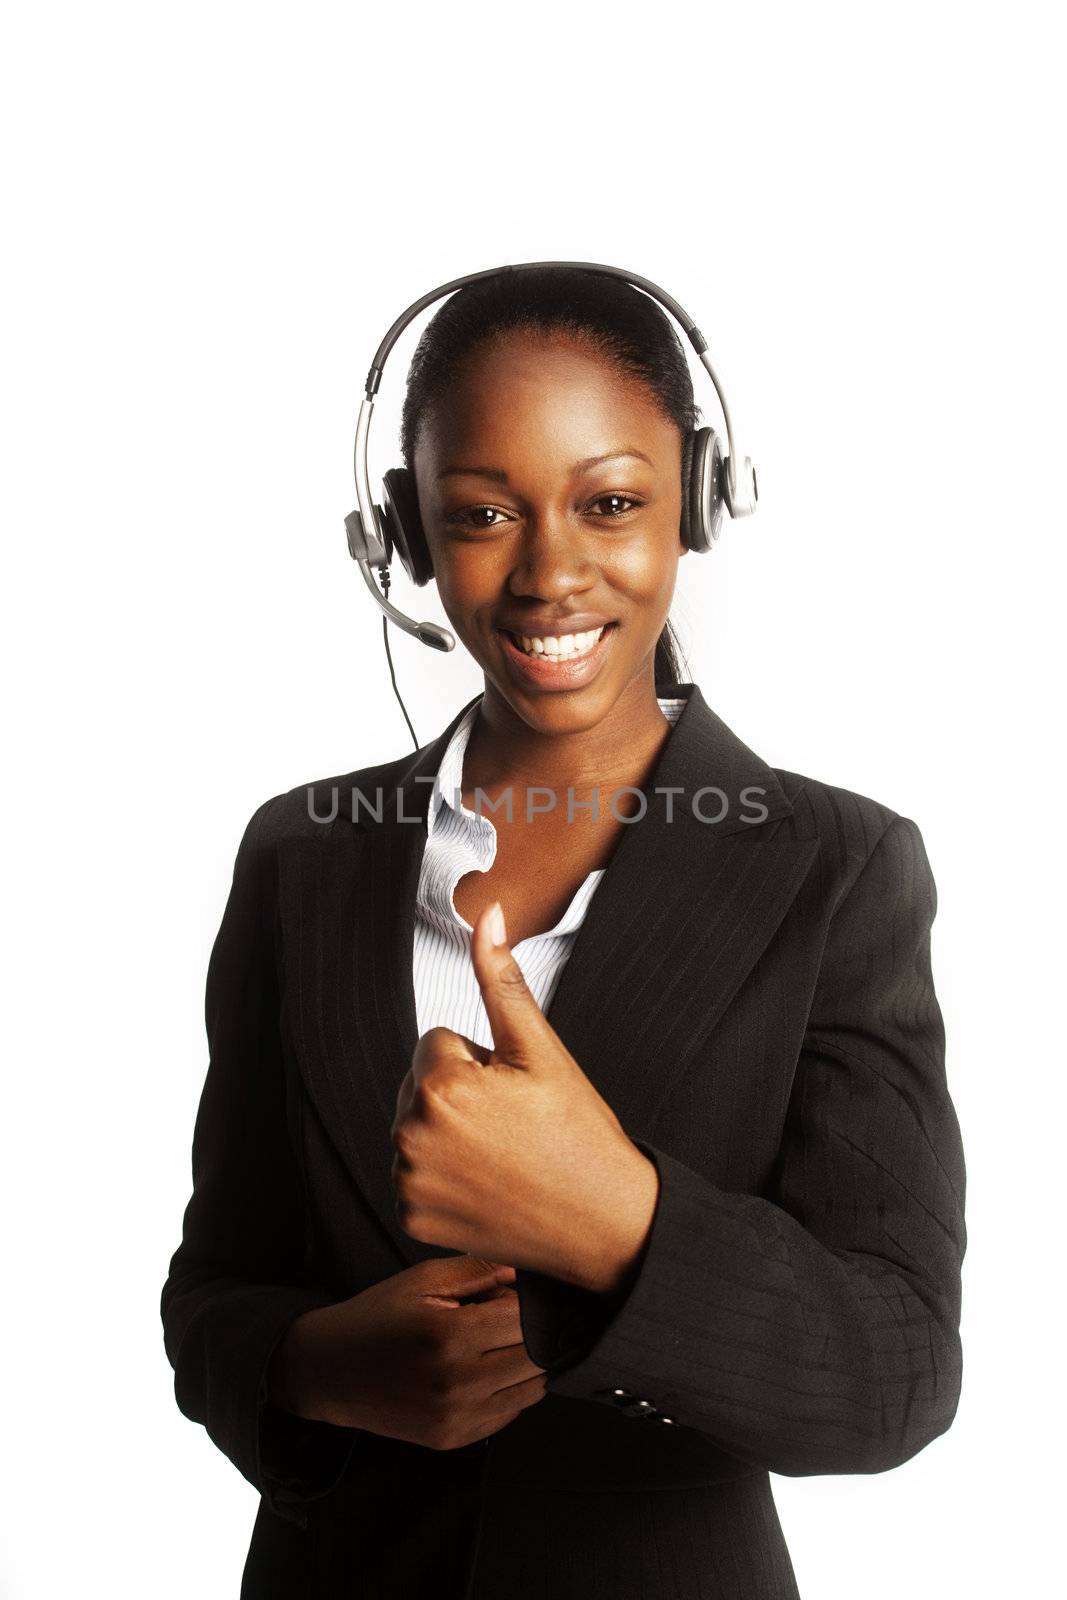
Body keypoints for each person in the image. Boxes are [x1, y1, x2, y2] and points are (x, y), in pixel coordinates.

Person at [160, 266, 967, 1599]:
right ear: (403, 536)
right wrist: (315, 1368)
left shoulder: (839, 869)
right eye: (480, 513)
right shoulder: (302, 857)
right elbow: (215, 1294)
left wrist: (620, 1222)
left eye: (611, 503)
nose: (549, 573)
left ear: (696, 507)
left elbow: (898, 1371)